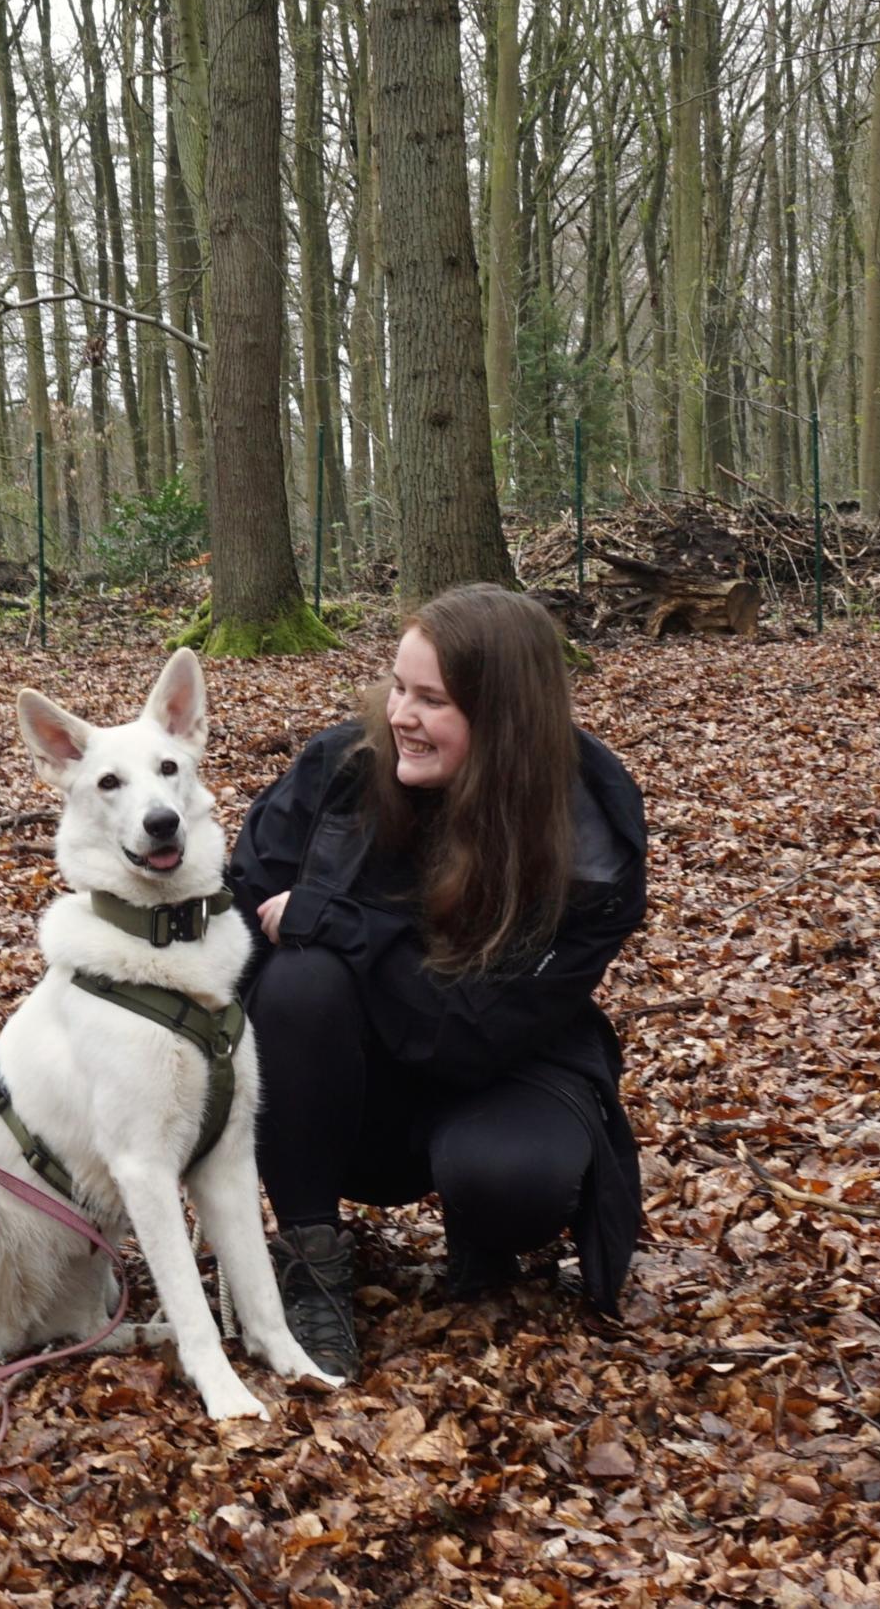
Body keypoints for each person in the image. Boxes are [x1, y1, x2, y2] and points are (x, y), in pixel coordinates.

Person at [227, 583, 648, 1380]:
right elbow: (235, 919)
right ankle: (310, 1261)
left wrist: (346, 925)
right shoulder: (340, 770)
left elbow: (479, 1032)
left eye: (432, 700)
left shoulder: (588, 833)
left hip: (500, 1063)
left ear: (502, 720)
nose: (399, 716)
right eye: (397, 687)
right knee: (299, 980)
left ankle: (484, 1231)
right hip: (343, 1082)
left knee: (511, 1178)